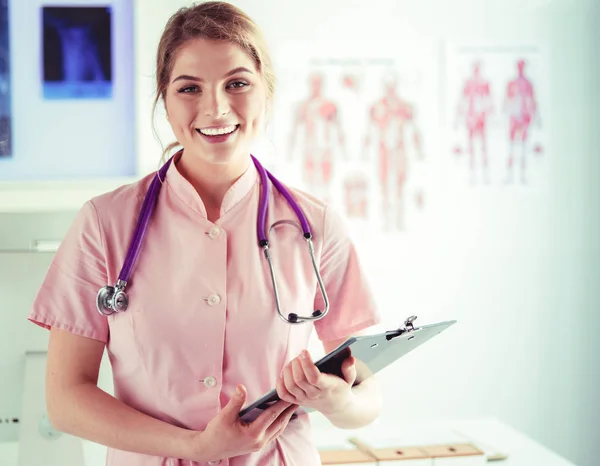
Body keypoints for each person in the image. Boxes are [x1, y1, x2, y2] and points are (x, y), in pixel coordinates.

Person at [27, 2, 382, 465]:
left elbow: (368, 393)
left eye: (237, 83)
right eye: (189, 88)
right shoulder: (104, 224)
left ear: (267, 92)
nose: (215, 108)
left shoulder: (315, 225)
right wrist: (193, 447)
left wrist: (338, 401)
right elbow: (65, 398)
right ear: (165, 99)